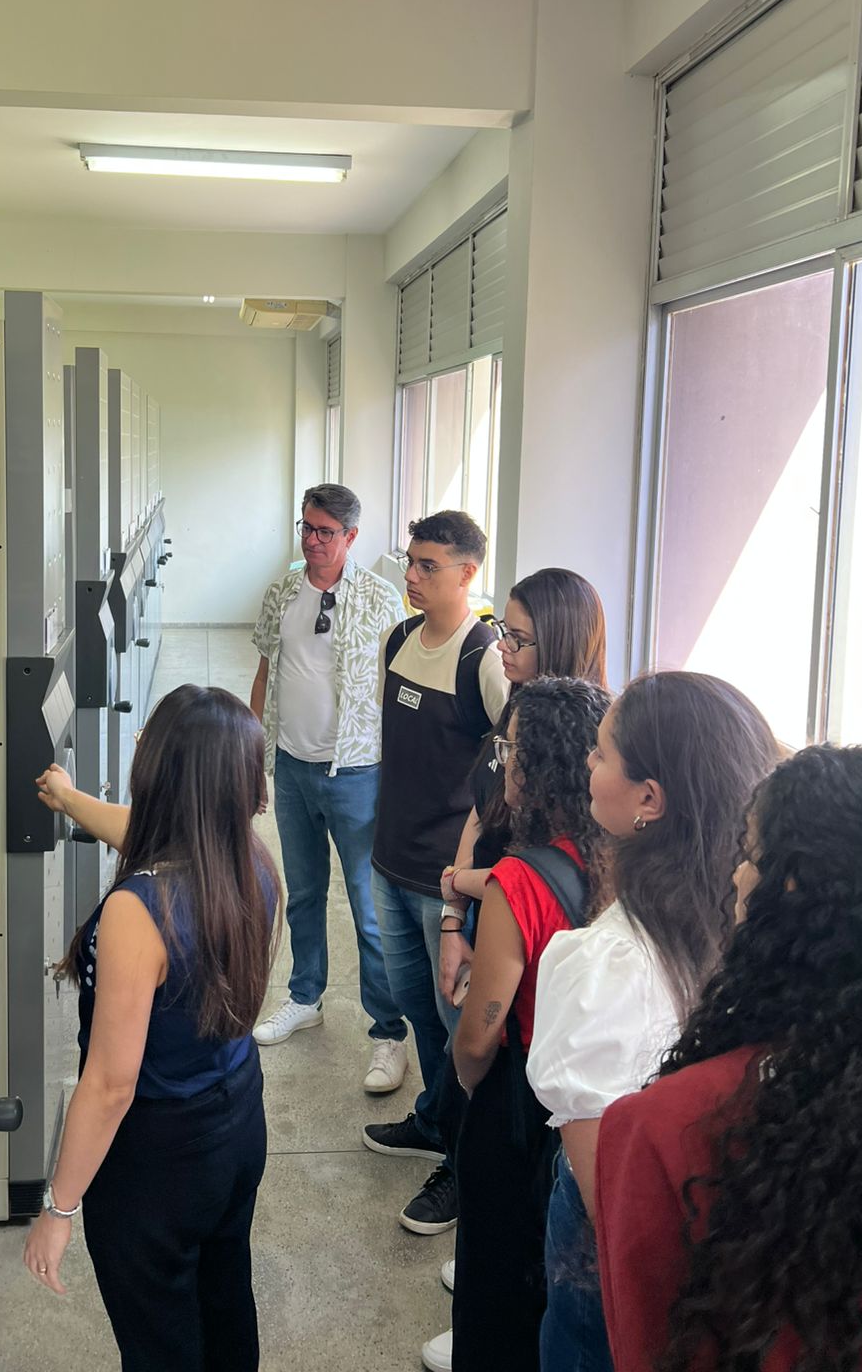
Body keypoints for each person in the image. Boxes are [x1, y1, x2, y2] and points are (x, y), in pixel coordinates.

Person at [596, 744, 862, 1372]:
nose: (738, 876)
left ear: (794, 889)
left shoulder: (664, 1127)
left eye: (750, 855)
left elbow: (647, 1349)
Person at [526, 671, 779, 1372]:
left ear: (649, 799)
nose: (587, 760)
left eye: (603, 752)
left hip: (619, 1271)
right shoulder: (753, 920)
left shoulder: (606, 964)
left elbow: (609, 1205)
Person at [23, 686, 281, 1372]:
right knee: (225, 1299)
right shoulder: (249, 862)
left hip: (158, 1161)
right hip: (237, 1124)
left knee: (160, 1340)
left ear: (164, 774)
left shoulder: (137, 914)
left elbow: (110, 1084)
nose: (137, 746)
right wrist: (69, 799)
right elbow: (141, 831)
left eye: (148, 742)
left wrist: (58, 1210)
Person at [418, 677, 611, 1372]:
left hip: (520, 1097)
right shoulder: (616, 859)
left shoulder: (520, 883)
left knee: (494, 1285)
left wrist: (474, 1087)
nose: (502, 762)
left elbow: (476, 1037)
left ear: (540, 766)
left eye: (512, 749)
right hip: (589, 1105)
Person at [364, 510, 508, 1236]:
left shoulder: (484, 659)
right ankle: (432, 1118)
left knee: (459, 1028)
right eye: (411, 563)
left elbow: (509, 774)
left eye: (429, 566)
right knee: (417, 1007)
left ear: (467, 573)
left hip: (446, 879)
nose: (413, 577)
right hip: (389, 859)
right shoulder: (397, 640)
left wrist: (471, 881)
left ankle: (463, 1161)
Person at [249, 483, 409, 1094]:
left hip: (358, 772)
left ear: (351, 537)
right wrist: (255, 758)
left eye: (325, 532)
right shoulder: (282, 593)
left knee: (369, 909)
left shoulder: (381, 599)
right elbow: (266, 672)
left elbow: (400, 687)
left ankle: (388, 1031)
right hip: (292, 768)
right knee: (304, 893)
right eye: (306, 528)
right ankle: (304, 996)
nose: (312, 541)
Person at [438, 567, 609, 1024]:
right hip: (482, 910)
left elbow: (538, 879)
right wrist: (453, 917)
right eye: (503, 630)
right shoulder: (516, 704)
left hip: (527, 937)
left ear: (558, 644)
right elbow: (481, 809)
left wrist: (456, 883)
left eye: (518, 639)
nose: (501, 646)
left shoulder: (586, 746)